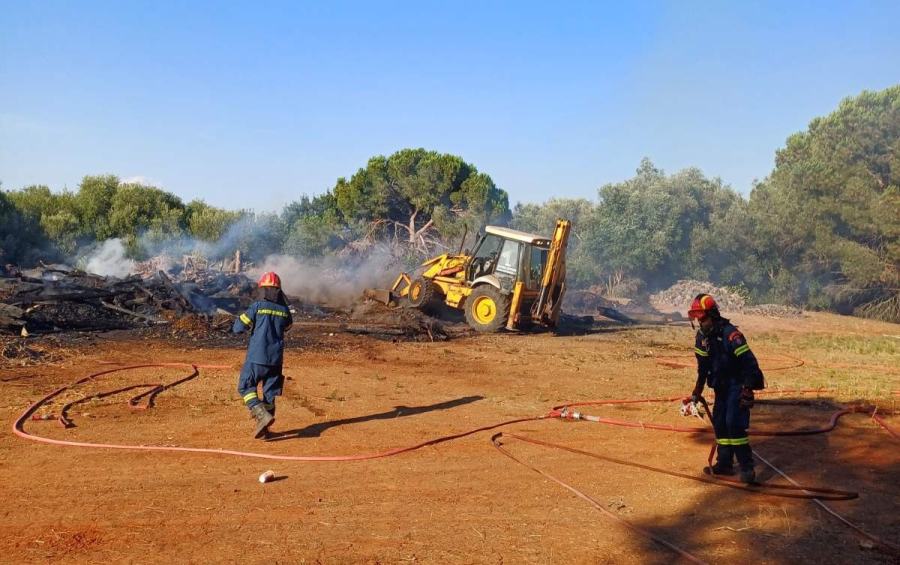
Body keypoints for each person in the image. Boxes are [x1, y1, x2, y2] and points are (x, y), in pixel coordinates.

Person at [688, 293, 765, 484]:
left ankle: (746, 467)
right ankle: (725, 463)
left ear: (712, 314)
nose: (700, 322)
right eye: (697, 318)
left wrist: (748, 389)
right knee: (720, 423)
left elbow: (749, 363)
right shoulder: (702, 338)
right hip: (720, 386)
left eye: (702, 317)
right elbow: (703, 367)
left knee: (734, 424)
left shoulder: (730, 335)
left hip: (737, 384)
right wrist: (697, 391)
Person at [233, 271, 293, 439]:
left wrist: (240, 320)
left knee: (245, 387)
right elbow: (287, 327)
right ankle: (265, 429)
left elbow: (238, 328)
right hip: (276, 359)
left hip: (257, 357)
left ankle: (261, 415)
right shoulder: (284, 309)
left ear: (263, 289)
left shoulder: (257, 306)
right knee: (270, 393)